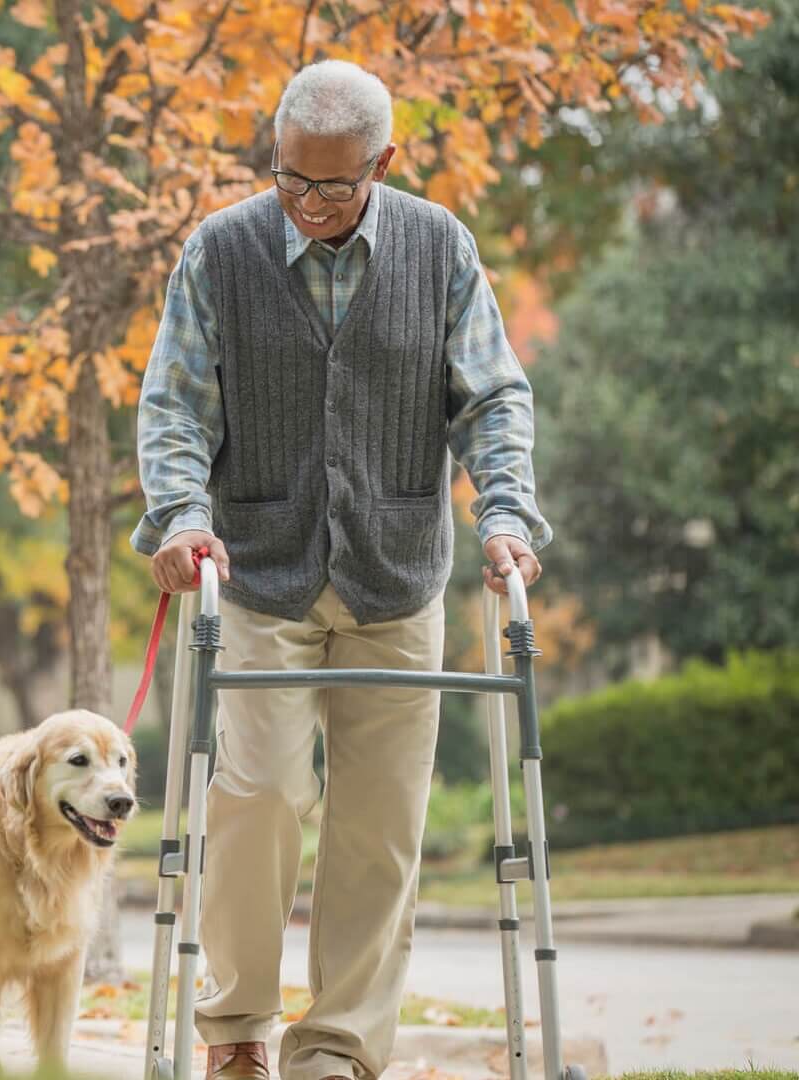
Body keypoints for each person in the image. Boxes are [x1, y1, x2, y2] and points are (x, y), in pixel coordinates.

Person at [129, 59, 552, 1080]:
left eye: (334, 185)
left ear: (383, 162)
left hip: (397, 573)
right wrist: (181, 517)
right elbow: (175, 406)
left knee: (379, 829)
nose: (309, 204)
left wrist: (504, 513)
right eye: (289, 179)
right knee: (261, 793)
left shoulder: (439, 246)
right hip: (260, 571)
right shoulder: (221, 251)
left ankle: (338, 1052)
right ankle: (236, 1034)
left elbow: (491, 398)